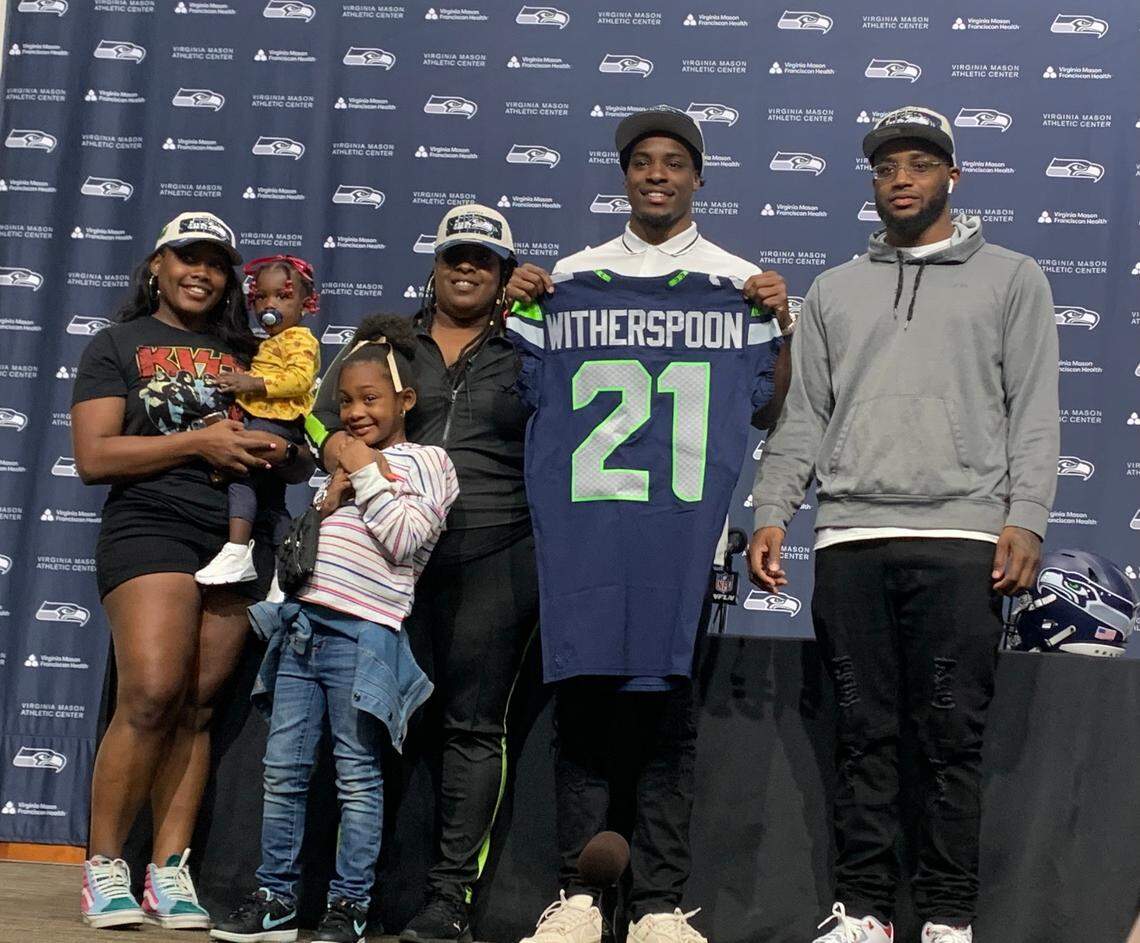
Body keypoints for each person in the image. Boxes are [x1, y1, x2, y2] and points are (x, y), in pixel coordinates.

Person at [747, 106, 1059, 943]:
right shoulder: (836, 291)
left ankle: (949, 918)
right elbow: (804, 416)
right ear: (874, 183)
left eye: (920, 164)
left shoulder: (1013, 276)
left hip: (963, 539)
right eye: (887, 168)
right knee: (862, 735)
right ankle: (866, 912)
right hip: (850, 539)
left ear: (952, 177)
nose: (902, 179)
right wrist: (774, 507)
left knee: (951, 735)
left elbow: (1034, 410)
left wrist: (1026, 515)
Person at [504, 106, 793, 943]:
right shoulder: (571, 277)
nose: (657, 174)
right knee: (585, 707)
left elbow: (771, 406)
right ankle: (577, 896)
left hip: (682, 540)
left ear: (698, 176)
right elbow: (521, 393)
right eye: (642, 162)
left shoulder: (738, 283)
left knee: (669, 714)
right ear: (625, 175)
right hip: (594, 535)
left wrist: (779, 326)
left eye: (674, 162)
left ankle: (662, 900)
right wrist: (521, 308)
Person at [307, 204, 538, 943]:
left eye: (483, 259)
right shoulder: (385, 343)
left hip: (495, 551)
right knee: (370, 730)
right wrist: (344, 456)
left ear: (504, 273)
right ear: (433, 265)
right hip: (381, 558)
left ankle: (448, 900)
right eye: (454, 256)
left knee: (473, 726)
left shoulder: (530, 343)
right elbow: (321, 423)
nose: (466, 267)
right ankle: (356, 894)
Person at [71, 212, 306, 929]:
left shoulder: (250, 351)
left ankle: (169, 870)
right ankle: (105, 865)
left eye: (213, 262)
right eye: (186, 258)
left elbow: (295, 444)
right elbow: (95, 457)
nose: (199, 272)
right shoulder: (117, 344)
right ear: (156, 267)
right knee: (149, 691)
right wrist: (198, 442)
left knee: (199, 706)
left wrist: (275, 454)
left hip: (235, 534)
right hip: (151, 525)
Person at [210, 318, 459, 943]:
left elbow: (405, 539)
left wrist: (362, 467)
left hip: (364, 637)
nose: (354, 413)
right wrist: (336, 483)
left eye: (371, 399)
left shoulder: (429, 462)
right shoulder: (338, 469)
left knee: (356, 777)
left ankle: (349, 904)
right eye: (345, 401)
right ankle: (276, 899)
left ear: (406, 401)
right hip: (301, 630)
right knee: (284, 772)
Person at [196, 254, 321, 585]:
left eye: (282, 296)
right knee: (271, 502)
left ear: (306, 305)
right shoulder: (270, 342)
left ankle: (236, 550)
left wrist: (250, 383)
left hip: (277, 422)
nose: (270, 304)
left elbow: (299, 380)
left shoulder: (300, 339)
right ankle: (284, 577)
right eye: (262, 296)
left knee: (240, 474)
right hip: (265, 418)